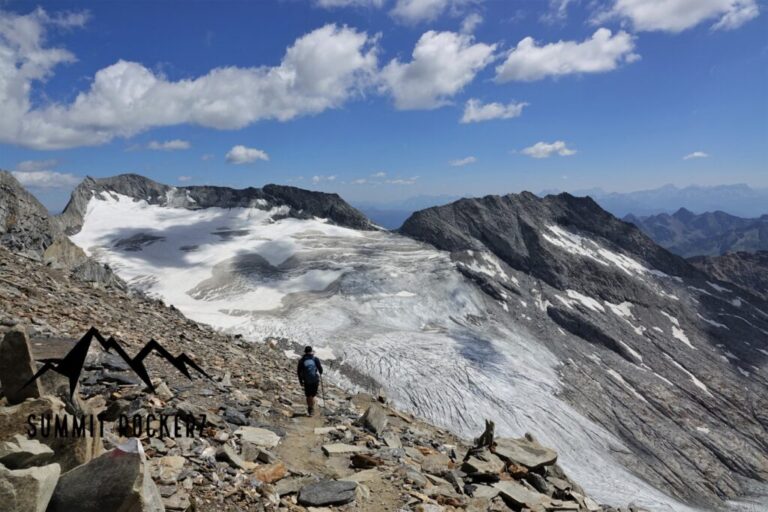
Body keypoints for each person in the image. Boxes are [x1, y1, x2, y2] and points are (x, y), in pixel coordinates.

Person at [297, 345, 323, 416]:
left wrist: (300, 381)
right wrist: (319, 372)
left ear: (305, 352)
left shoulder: (302, 360)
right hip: (315, 380)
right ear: (311, 351)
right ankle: (312, 408)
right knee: (313, 395)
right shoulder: (315, 359)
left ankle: (310, 408)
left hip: (306, 380)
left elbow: (299, 372)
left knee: (308, 395)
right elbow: (320, 370)